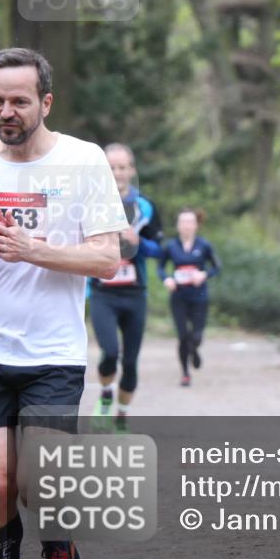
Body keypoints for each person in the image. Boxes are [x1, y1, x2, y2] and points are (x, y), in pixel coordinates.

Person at [0, 48, 127, 559]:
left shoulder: (83, 160)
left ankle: (60, 553)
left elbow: (107, 258)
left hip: (52, 353)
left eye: (20, 101)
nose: (7, 112)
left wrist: (32, 249)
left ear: (46, 102)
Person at [88, 143, 163, 430]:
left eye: (122, 167)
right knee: (109, 352)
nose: (117, 173)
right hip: (102, 292)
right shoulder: (91, 202)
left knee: (130, 362)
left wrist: (137, 242)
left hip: (135, 294)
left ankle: (121, 415)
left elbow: (160, 249)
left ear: (131, 170)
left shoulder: (145, 206)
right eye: (111, 167)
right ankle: (106, 394)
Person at [157, 209, 220, 386]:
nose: (186, 225)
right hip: (178, 296)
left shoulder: (204, 245)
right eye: (183, 222)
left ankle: (194, 349)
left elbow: (216, 267)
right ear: (178, 225)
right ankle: (185, 373)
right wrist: (166, 278)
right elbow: (160, 267)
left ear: (196, 225)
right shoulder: (170, 246)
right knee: (183, 335)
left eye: (190, 222)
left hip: (199, 296)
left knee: (197, 335)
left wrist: (204, 275)